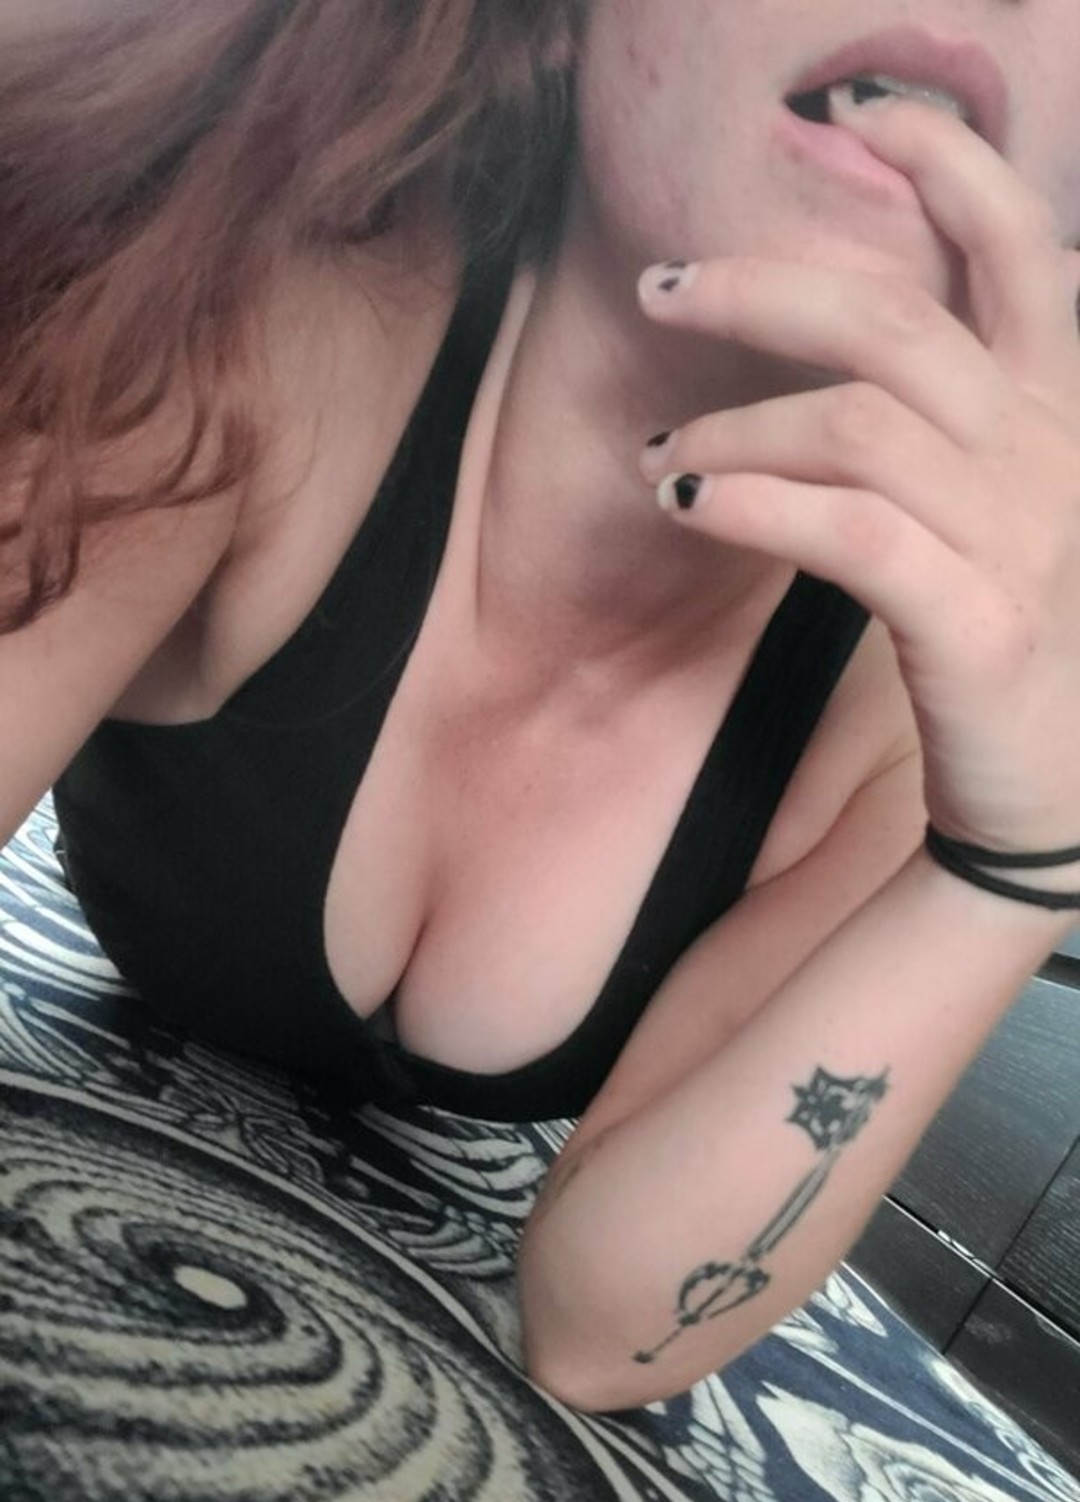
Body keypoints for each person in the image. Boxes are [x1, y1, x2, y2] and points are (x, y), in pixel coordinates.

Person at [2, 0, 1079, 1413]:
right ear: (566, 20)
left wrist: (1019, 865)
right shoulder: (251, 308)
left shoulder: (915, 696)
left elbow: (601, 1330)